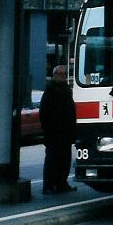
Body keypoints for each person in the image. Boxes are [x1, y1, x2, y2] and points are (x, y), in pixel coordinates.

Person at [40, 64, 78, 194]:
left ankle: (61, 183)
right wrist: (48, 129)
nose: (63, 77)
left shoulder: (65, 89)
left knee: (64, 159)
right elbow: (44, 112)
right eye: (61, 74)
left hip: (65, 131)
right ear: (55, 75)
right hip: (54, 132)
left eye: (64, 75)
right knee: (53, 159)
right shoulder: (50, 89)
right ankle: (49, 185)